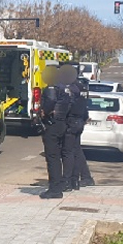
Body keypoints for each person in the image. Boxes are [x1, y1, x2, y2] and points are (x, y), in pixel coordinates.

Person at [39, 65, 74, 199]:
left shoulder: (51, 88)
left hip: (52, 124)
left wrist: (45, 111)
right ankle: (57, 185)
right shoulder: (64, 88)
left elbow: (51, 101)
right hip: (62, 123)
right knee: (58, 156)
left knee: (52, 156)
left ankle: (55, 189)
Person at [62, 82, 93, 190]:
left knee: (68, 153)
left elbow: (65, 112)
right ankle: (74, 181)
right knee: (76, 151)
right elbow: (86, 115)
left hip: (71, 126)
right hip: (79, 125)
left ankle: (67, 181)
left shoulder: (71, 101)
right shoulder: (82, 100)